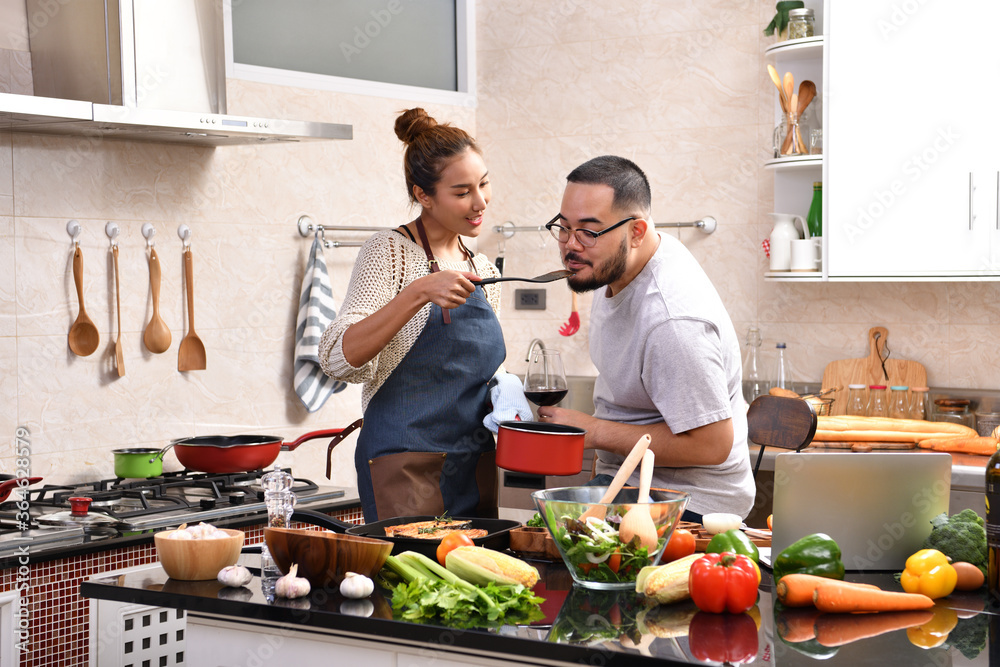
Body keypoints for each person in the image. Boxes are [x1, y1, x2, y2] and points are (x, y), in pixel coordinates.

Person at [319, 108, 531, 522]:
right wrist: (417, 293)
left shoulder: (483, 269)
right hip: (403, 464)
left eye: (484, 184)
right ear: (424, 195)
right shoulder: (389, 253)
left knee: (475, 581)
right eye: (462, 191)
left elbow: (483, 371)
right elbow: (335, 358)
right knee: (412, 582)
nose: (480, 202)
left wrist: (508, 397)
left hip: (473, 463)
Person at [536, 155, 754, 521]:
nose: (570, 245)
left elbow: (713, 444)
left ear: (636, 231)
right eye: (563, 227)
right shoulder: (618, 265)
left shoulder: (672, 322)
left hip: (687, 506)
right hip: (628, 484)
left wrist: (593, 431)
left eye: (588, 231)